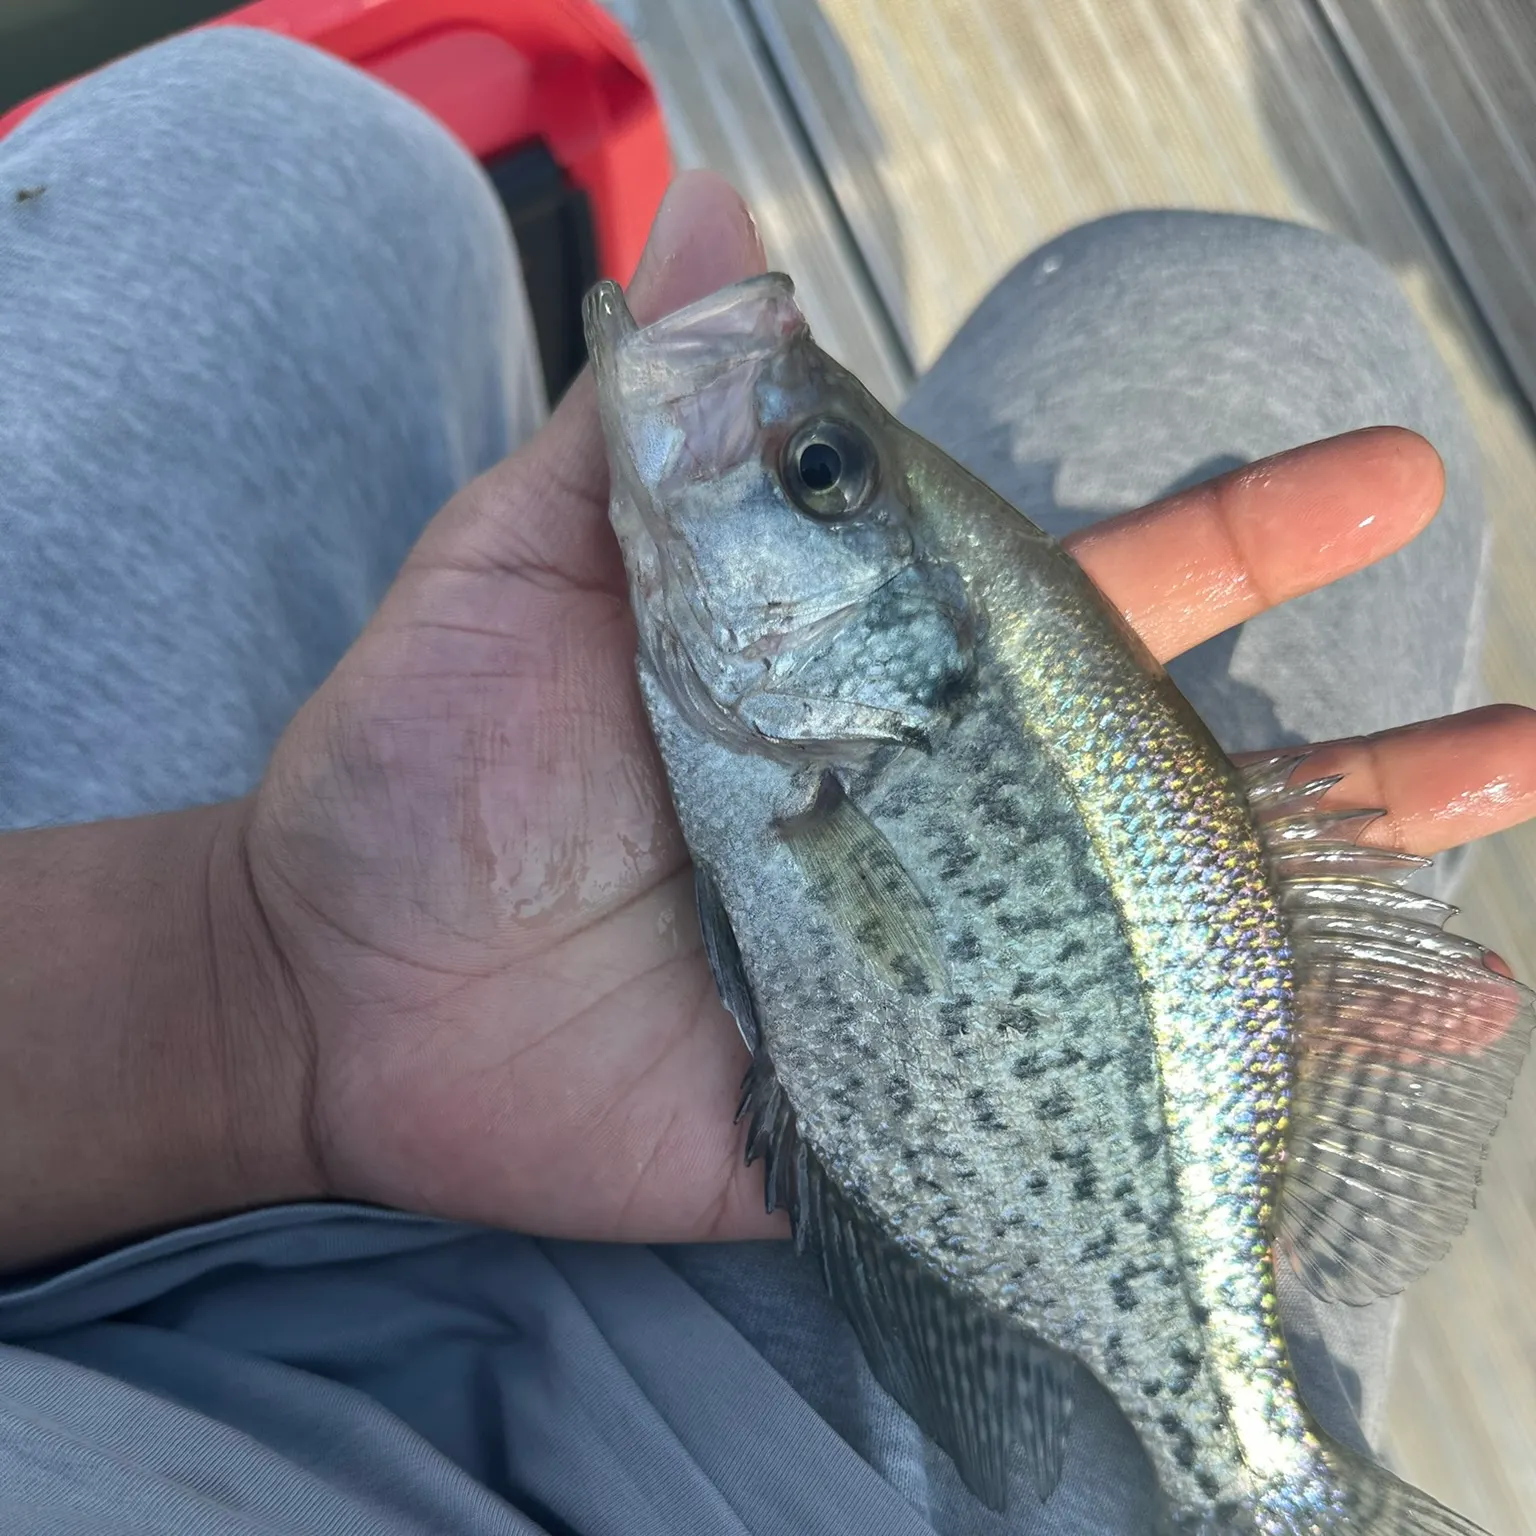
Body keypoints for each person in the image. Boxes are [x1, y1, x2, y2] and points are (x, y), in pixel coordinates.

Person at [0, 25, 1529, 1536]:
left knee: (240, 138)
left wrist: (260, 975)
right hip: (753, 1471)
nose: (780, 442)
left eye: (814, 472)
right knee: (1264, 325)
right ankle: (1265, 1482)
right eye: (825, 474)